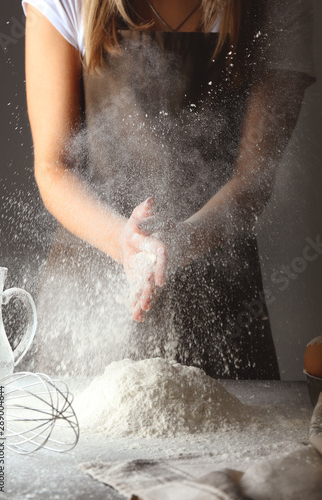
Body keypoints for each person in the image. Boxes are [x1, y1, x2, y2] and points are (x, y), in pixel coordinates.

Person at [22, 0, 315, 378]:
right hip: (89, 298)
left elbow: (253, 180)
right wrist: (124, 243)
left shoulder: (278, 6)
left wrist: (177, 245)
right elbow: (53, 167)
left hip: (222, 309)